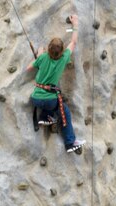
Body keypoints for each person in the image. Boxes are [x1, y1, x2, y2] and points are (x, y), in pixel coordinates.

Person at [27, 13, 84, 153]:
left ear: (49, 48)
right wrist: (75, 24)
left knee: (50, 103)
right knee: (64, 111)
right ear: (62, 51)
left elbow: (28, 68)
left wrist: (38, 56)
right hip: (49, 101)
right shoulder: (64, 58)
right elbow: (74, 42)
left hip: (35, 98)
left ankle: (45, 116)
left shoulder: (43, 57)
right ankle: (70, 142)